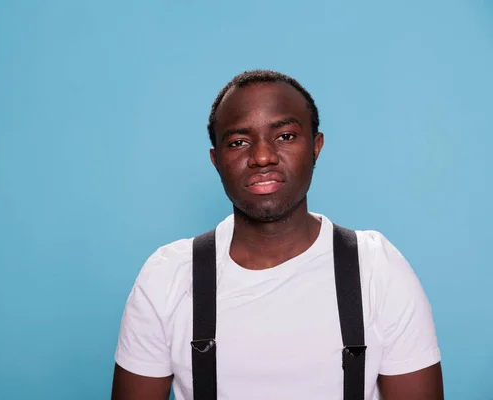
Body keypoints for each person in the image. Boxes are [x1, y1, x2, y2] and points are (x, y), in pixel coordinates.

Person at [111, 70, 443, 399]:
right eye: (239, 142)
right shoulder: (167, 276)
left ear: (316, 147)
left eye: (285, 136)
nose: (262, 157)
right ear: (216, 160)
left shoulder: (376, 269)